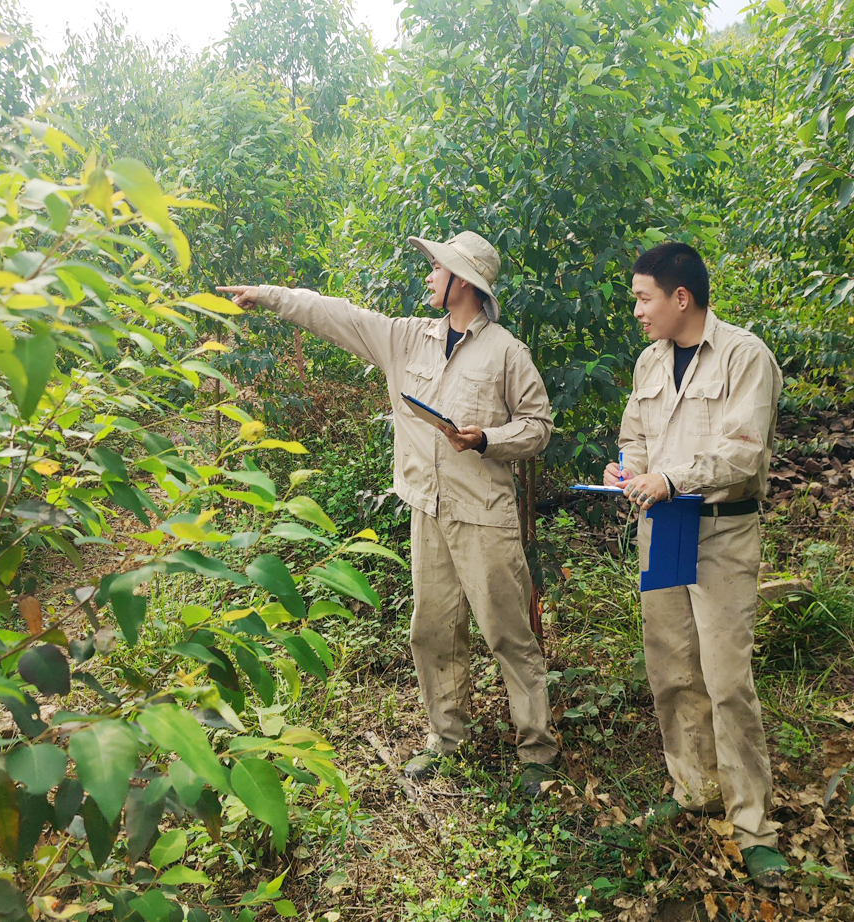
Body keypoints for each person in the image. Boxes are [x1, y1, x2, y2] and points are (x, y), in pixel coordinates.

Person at [217, 230, 559, 795]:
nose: (427, 276)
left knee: (507, 633)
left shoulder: (506, 352)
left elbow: (539, 428)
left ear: (464, 282)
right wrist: (268, 294)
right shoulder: (406, 339)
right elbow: (333, 313)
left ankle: (537, 750)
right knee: (432, 631)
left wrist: (486, 440)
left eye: (437, 268)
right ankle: (447, 740)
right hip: (427, 509)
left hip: (484, 516)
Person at [602, 242, 788, 886]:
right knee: (672, 667)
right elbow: (635, 433)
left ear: (681, 297)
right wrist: (626, 470)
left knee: (727, 680)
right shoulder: (649, 361)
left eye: (643, 297)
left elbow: (742, 454)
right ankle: (692, 787)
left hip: (722, 535)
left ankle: (753, 823)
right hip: (665, 531)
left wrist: (669, 476)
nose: (636, 310)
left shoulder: (745, 357)